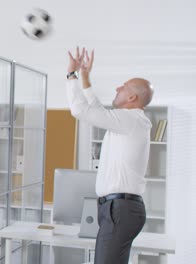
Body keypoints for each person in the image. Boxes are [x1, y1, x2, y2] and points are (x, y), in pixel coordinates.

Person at [66, 47, 153, 264]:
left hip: (120, 210)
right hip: (116, 209)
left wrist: (71, 75)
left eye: (122, 87)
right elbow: (97, 110)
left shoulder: (131, 120)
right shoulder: (127, 122)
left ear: (132, 96)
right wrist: (85, 78)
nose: (117, 88)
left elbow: (80, 110)